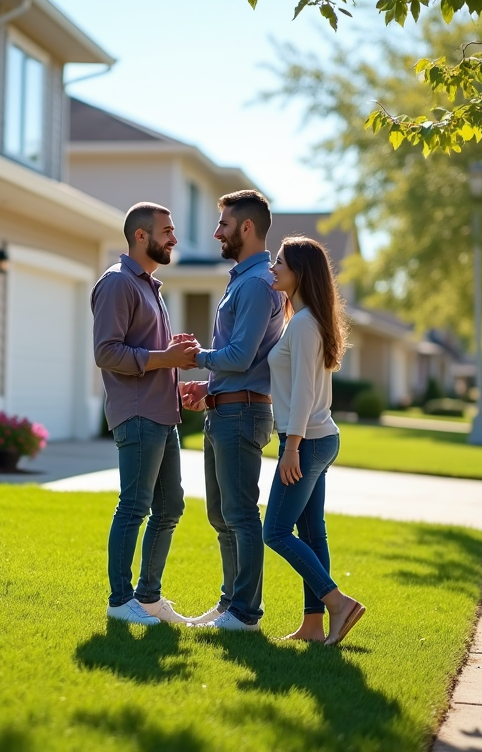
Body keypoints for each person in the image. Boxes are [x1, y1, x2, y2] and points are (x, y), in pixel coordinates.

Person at [180, 190, 285, 632]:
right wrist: (208, 387)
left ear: (246, 228)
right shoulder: (245, 279)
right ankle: (229, 605)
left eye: (223, 224)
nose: (215, 232)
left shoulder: (259, 284)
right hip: (226, 408)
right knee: (222, 516)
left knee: (240, 515)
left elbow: (240, 356)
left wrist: (195, 357)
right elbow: (247, 359)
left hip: (241, 415)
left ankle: (245, 613)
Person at [91, 202, 200, 626]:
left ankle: (148, 599)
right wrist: (164, 356)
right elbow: (106, 352)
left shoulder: (149, 285)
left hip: (163, 412)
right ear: (141, 236)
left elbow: (150, 353)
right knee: (133, 507)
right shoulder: (118, 284)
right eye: (167, 230)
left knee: (170, 506)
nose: (174, 238)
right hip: (136, 414)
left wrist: (173, 362)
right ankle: (120, 602)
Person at [262, 236, 365, 645]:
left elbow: (303, 391)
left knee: (275, 531)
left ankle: (338, 603)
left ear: (299, 272)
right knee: (311, 533)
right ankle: (312, 624)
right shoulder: (306, 320)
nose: (273, 268)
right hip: (319, 439)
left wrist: (290, 447)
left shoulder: (304, 325)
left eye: (280, 262)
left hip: (305, 442)